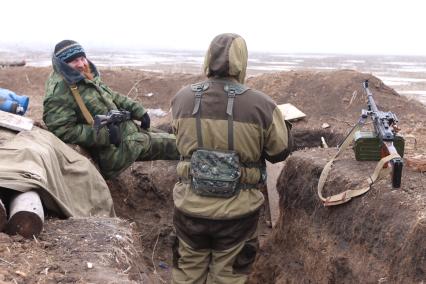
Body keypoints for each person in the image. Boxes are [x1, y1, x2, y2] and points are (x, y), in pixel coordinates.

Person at [170, 33, 293, 283]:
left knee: (185, 276)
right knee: (228, 278)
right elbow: (279, 151)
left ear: (208, 59)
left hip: (189, 211)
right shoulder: (262, 105)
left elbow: (178, 142)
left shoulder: (181, 99)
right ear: (242, 62)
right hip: (237, 215)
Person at [43, 40, 179, 179]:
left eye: (82, 58)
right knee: (179, 145)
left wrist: (138, 110)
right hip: (111, 153)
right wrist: (105, 134)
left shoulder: (81, 77)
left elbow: (110, 95)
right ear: (63, 64)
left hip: (125, 132)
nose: (81, 64)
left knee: (176, 137)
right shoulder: (59, 92)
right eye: (74, 61)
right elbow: (62, 130)